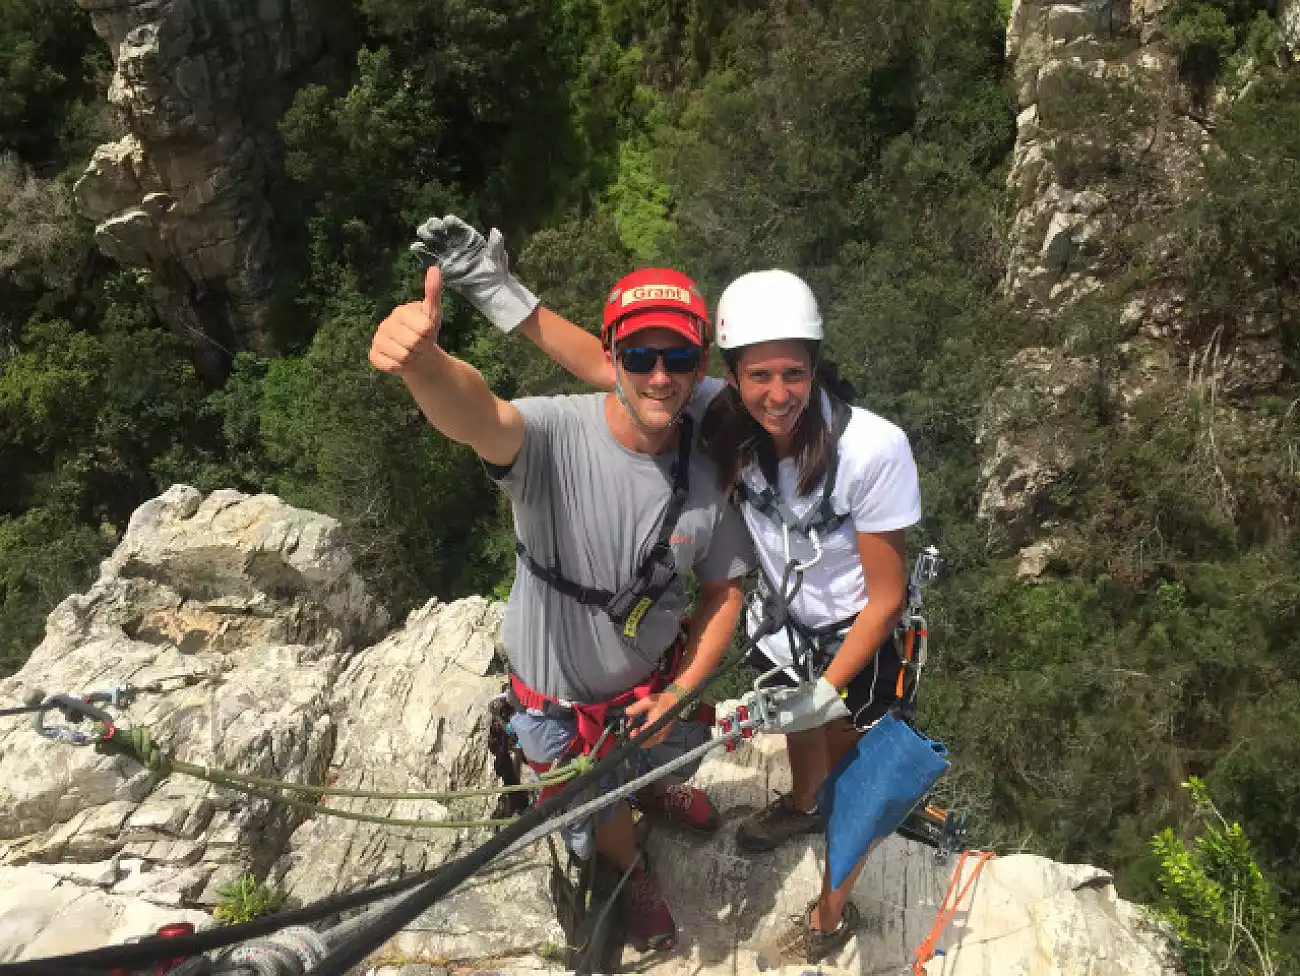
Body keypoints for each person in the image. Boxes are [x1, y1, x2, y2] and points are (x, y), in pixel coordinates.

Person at [413, 216, 923, 968]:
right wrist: (481, 304)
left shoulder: (856, 447)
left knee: (836, 751)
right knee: (760, 749)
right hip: (778, 623)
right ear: (735, 372)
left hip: (842, 633)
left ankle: (816, 874)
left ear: (815, 367)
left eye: (794, 374)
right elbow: (598, 366)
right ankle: (748, 821)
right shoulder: (721, 412)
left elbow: (882, 593)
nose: (776, 394)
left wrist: (827, 685)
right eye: (760, 374)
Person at [370, 258, 756, 953]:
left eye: (679, 358)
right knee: (593, 798)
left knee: (657, 757)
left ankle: (650, 787)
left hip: (653, 688)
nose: (660, 376)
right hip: (562, 703)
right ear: (611, 358)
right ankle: (626, 861)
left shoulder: (709, 456)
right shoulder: (553, 438)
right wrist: (425, 367)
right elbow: (480, 416)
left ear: (701, 366)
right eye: (639, 355)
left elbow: (724, 591)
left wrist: (681, 691)